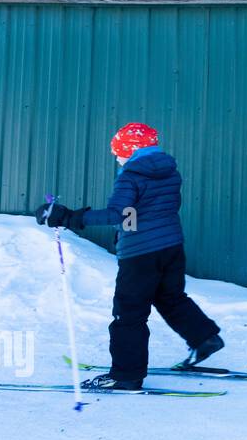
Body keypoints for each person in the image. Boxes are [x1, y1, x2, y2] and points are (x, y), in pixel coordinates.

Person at [35, 122, 223, 390]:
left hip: (140, 253)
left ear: (130, 150)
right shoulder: (170, 172)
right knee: (171, 297)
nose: (116, 157)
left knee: (129, 313)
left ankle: (126, 375)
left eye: (118, 151)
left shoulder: (131, 175)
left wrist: (68, 216)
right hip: (171, 247)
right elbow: (141, 214)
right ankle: (205, 338)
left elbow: (119, 214)